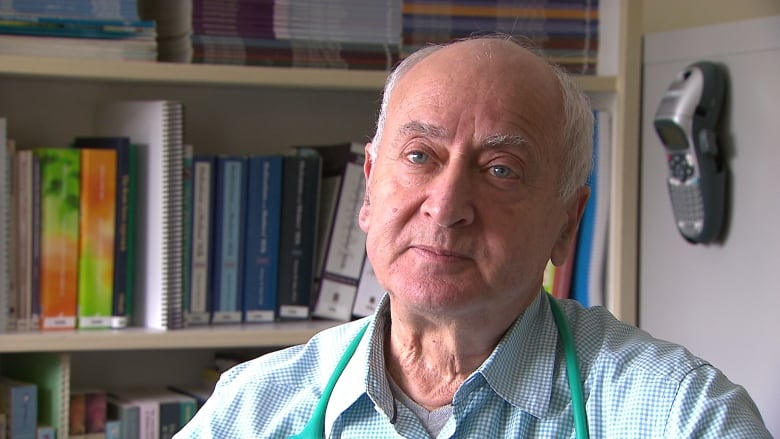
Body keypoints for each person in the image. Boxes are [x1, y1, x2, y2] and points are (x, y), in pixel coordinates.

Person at [175, 36, 770, 438]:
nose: (447, 205)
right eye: (419, 155)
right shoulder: (252, 409)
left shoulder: (682, 416)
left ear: (566, 223)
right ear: (368, 187)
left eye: (500, 169)